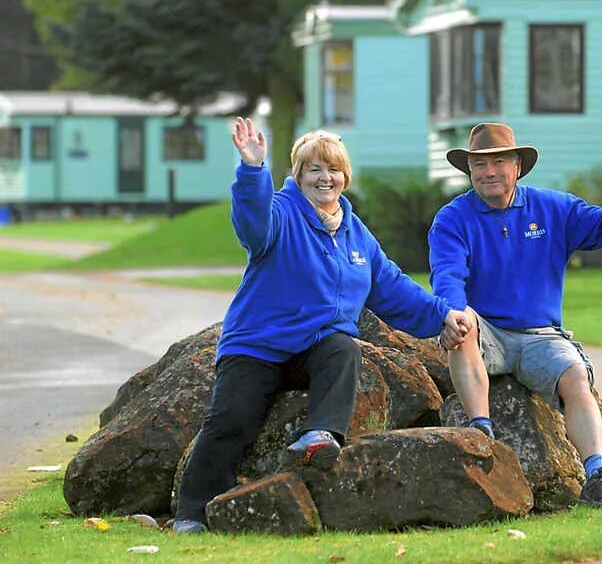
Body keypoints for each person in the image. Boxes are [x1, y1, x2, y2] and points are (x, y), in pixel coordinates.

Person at [173, 118, 469, 533]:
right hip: (257, 346)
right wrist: (253, 170)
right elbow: (252, 225)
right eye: (314, 169)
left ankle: (321, 435)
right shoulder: (280, 212)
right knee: (231, 422)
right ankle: (192, 512)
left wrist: (440, 315)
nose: (324, 178)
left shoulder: (355, 232)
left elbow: (390, 286)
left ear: (345, 178)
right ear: (298, 175)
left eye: (333, 170)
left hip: (312, 349)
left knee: (343, 346)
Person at [428, 122, 602, 508]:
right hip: (486, 331)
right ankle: (483, 441)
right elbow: (448, 275)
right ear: (469, 172)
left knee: (576, 375)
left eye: (498, 162)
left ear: (517, 167)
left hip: (540, 334)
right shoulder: (452, 218)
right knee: (461, 325)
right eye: (479, 165)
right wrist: (452, 313)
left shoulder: (553, 208)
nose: (489, 171)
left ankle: (597, 476)